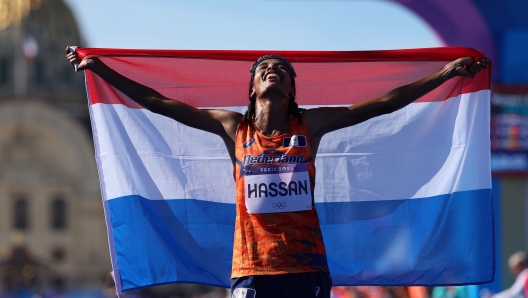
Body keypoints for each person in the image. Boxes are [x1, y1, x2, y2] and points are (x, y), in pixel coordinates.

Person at [66, 47, 488, 298]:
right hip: (251, 269)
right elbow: (159, 103)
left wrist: (445, 73)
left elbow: (384, 103)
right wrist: (102, 70)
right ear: (251, 89)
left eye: (282, 69)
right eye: (264, 68)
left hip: (305, 270)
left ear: (290, 89)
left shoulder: (312, 126)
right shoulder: (233, 128)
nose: (273, 69)